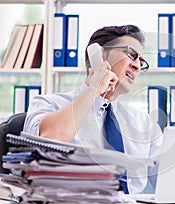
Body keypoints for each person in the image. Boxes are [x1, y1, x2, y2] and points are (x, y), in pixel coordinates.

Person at [23, 25, 164, 194]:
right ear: (100, 55)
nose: (137, 66)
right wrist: (94, 89)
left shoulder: (144, 123)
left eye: (141, 62)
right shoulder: (48, 104)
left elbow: (170, 183)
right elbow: (51, 139)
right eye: (131, 55)